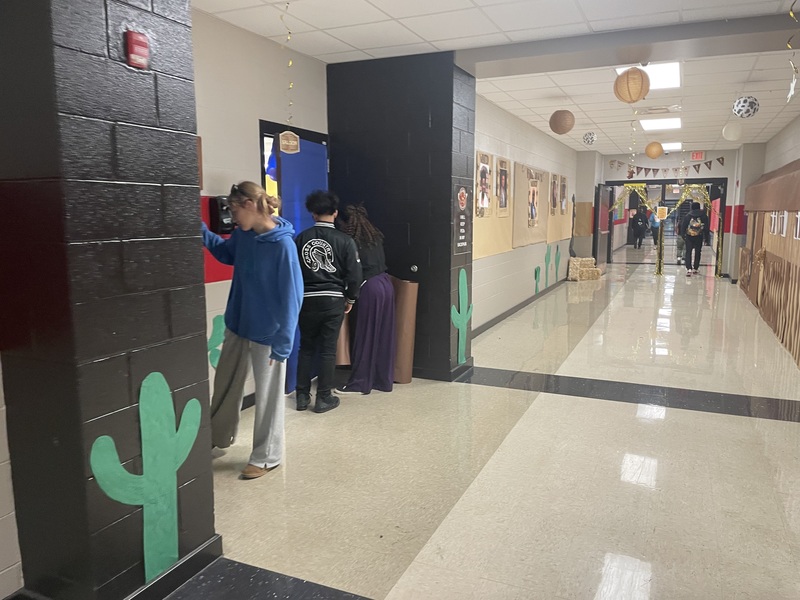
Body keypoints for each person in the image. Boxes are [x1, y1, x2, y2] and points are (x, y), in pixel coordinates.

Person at [202, 181, 303, 480]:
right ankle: (217, 436)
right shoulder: (244, 235)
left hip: (269, 334)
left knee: (269, 397)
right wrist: (201, 233)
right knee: (225, 384)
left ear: (249, 205)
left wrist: (283, 344)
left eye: (235, 210)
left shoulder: (282, 246)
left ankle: (267, 457)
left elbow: (292, 297)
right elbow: (226, 254)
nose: (233, 218)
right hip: (238, 323)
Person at [295, 190, 363, 413]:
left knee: (306, 347)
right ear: (335, 213)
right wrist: (351, 298)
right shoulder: (345, 241)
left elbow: (293, 272)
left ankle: (302, 396)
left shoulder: (301, 239)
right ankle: (324, 397)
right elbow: (355, 274)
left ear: (313, 214)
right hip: (333, 299)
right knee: (327, 350)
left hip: (305, 300)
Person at [336, 205, 395, 396]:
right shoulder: (373, 236)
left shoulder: (351, 241)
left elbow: (353, 273)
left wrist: (349, 297)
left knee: (366, 336)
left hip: (370, 287)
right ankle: (383, 380)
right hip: (386, 283)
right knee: (384, 335)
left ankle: (360, 383)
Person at [681, 201, 711, 277]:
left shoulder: (688, 215)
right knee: (698, 252)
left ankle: (689, 268)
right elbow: (706, 228)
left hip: (689, 236)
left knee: (688, 252)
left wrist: (683, 235)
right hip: (699, 236)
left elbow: (683, 226)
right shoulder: (703, 216)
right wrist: (706, 238)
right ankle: (696, 268)